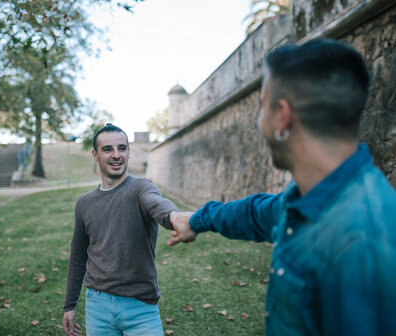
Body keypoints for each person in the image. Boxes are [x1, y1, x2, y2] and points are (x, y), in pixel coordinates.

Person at [168, 39, 396, 335]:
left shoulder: (362, 242)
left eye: (262, 107)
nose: (258, 121)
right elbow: (255, 214)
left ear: (283, 116)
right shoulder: (313, 196)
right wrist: (197, 220)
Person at [62, 123, 179, 336]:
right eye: (108, 149)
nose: (116, 155)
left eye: (122, 148)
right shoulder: (84, 203)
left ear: (128, 152)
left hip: (141, 307)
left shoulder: (141, 188)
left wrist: (176, 218)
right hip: (98, 306)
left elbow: (158, 205)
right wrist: (70, 305)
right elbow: (78, 257)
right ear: (95, 154)